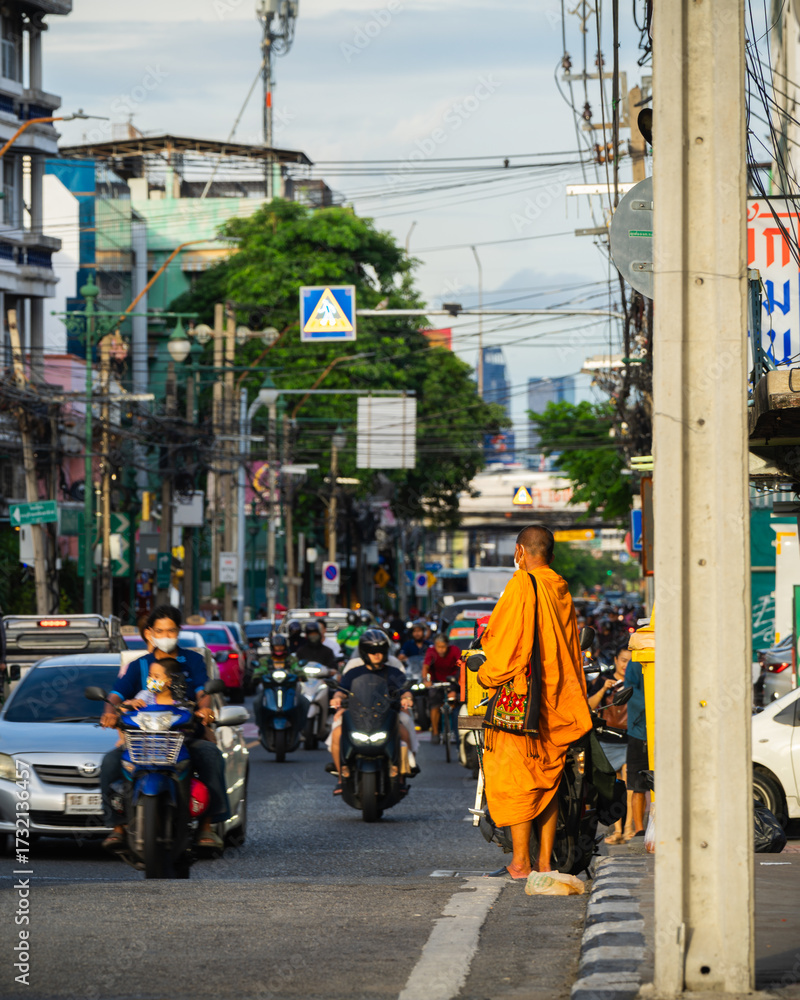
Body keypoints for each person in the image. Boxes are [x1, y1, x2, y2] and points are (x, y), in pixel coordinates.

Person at [477, 525, 591, 879]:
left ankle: (520, 862)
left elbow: (506, 647)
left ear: (519, 552)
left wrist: (485, 676)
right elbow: (572, 647)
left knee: (518, 780)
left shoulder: (520, 585)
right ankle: (545, 862)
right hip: (558, 699)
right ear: (552, 557)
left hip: (523, 702)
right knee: (549, 777)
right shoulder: (560, 588)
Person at [99, 605, 229, 852]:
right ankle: (117, 827)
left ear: (178, 631)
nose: (165, 636)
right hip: (143, 740)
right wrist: (109, 712)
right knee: (109, 763)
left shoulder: (193, 660)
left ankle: (206, 826)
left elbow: (203, 692)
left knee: (210, 755)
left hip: (184, 735)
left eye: (171, 631)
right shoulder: (140, 666)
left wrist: (204, 709)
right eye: (160, 631)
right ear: (149, 633)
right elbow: (116, 695)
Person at [328, 629, 413, 794]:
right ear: (364, 652)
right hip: (358, 715)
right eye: (372, 651)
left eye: (380, 651)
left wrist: (407, 698)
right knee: (337, 734)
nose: (377, 655)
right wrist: (337, 698)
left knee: (404, 733)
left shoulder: (394, 672)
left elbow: (405, 690)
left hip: (388, 715)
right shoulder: (353, 672)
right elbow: (342, 690)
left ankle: (402, 774)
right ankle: (341, 775)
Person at [587, 643, 632, 844]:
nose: (625, 665)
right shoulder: (603, 682)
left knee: (630, 784)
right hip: (607, 740)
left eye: (630, 661)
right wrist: (604, 689)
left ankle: (629, 828)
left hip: (630, 739)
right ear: (615, 660)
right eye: (623, 660)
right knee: (613, 787)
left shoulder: (635, 682)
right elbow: (589, 706)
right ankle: (617, 830)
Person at [624, 652, 649, 840]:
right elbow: (630, 691)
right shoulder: (635, 661)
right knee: (637, 784)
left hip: (662, 731)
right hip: (639, 732)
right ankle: (639, 829)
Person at [252, 633, 300, 732]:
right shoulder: (265, 660)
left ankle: (301, 727)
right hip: (270, 689)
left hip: (289, 689)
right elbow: (259, 670)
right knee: (257, 701)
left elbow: (298, 669)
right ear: (272, 647)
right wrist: (257, 676)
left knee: (304, 702)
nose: (278, 649)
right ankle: (260, 725)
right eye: (276, 647)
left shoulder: (291, 659)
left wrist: (300, 675)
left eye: (281, 647)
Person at [423, 634, 461, 744]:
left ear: (447, 645)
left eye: (443, 646)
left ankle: (454, 731)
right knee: (434, 705)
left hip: (452, 680)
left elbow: (461, 665)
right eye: (438, 647)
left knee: (453, 701)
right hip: (436, 682)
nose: (441, 649)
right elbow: (425, 667)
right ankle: (435, 732)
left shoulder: (454, 650)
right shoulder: (431, 651)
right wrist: (426, 680)